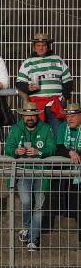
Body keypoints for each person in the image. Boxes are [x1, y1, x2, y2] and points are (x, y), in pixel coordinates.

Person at [5, 103, 56, 252]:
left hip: (41, 172)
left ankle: (33, 239)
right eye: (27, 115)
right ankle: (26, 228)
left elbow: (52, 148)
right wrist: (15, 150)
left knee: (39, 205)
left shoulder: (46, 128)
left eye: (32, 115)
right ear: (22, 116)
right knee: (26, 201)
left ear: (37, 115)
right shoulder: (16, 129)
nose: (30, 118)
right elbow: (8, 148)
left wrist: (38, 152)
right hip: (22, 171)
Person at [16, 32, 73, 137]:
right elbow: (19, 82)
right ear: (34, 46)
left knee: (58, 136)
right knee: (38, 137)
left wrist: (64, 97)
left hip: (55, 105)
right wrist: (28, 87)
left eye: (43, 45)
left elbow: (68, 81)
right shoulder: (28, 62)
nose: (41, 48)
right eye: (38, 45)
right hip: (36, 107)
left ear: (48, 46)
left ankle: (58, 153)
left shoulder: (58, 60)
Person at [54, 102, 81, 247]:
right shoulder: (63, 127)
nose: (70, 119)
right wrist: (71, 152)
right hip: (68, 168)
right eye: (68, 116)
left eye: (74, 116)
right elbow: (59, 148)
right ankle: (66, 212)